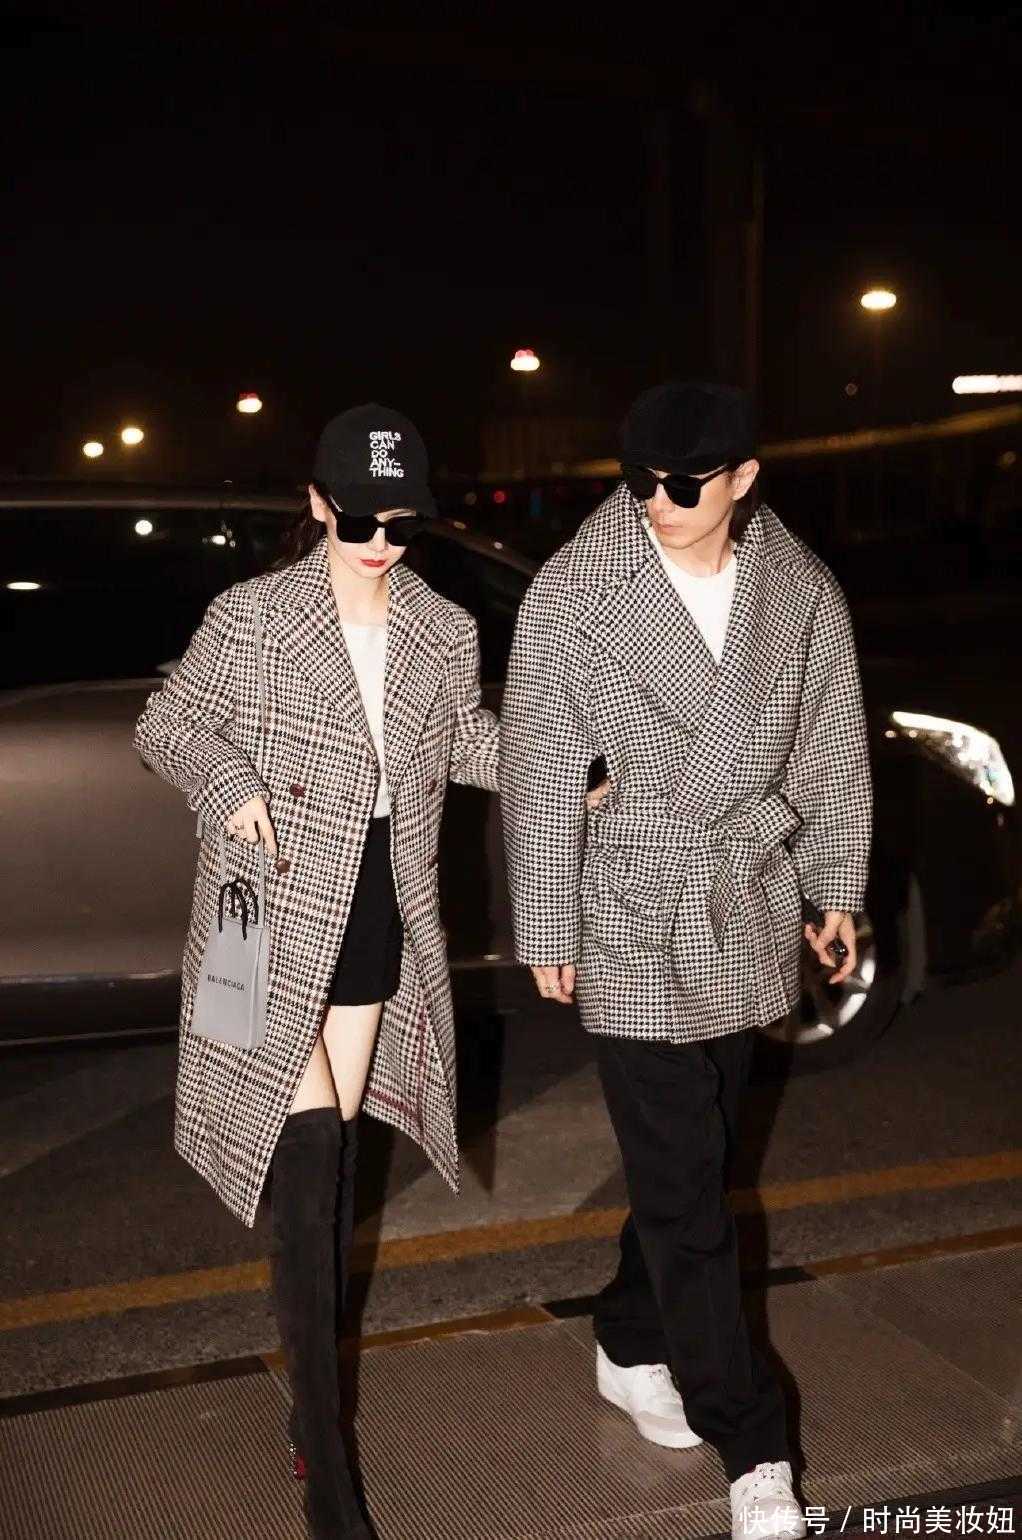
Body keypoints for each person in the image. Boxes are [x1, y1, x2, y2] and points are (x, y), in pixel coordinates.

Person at [134, 403, 608, 1539]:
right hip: (267, 907)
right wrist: (227, 784)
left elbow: (464, 742)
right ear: (317, 504)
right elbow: (166, 722)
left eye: (403, 522)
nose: (382, 541)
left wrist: (563, 773)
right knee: (304, 1149)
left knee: (330, 1157)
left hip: (376, 906)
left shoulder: (441, 627)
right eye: (360, 520)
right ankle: (329, 1461)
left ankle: (307, 1400)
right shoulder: (252, 617)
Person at [499, 381, 871, 1540]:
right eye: (638, 479)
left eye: (681, 482)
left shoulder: (798, 590)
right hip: (630, 902)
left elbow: (829, 746)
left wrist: (833, 886)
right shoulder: (576, 588)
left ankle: (626, 1333)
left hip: (742, 893)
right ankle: (752, 1448)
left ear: (741, 478)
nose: (655, 500)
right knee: (687, 1187)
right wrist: (545, 922)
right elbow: (539, 763)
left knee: (693, 1161)